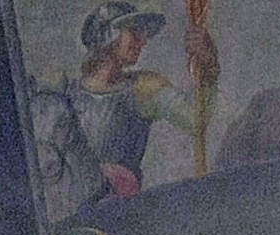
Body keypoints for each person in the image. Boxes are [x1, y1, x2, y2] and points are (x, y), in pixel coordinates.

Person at [28, 0, 217, 220]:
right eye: (134, 32)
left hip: (121, 213)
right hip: (71, 212)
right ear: (110, 35)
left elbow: (196, 121)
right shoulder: (65, 93)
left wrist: (208, 64)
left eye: (144, 34)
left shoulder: (144, 88)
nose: (143, 41)